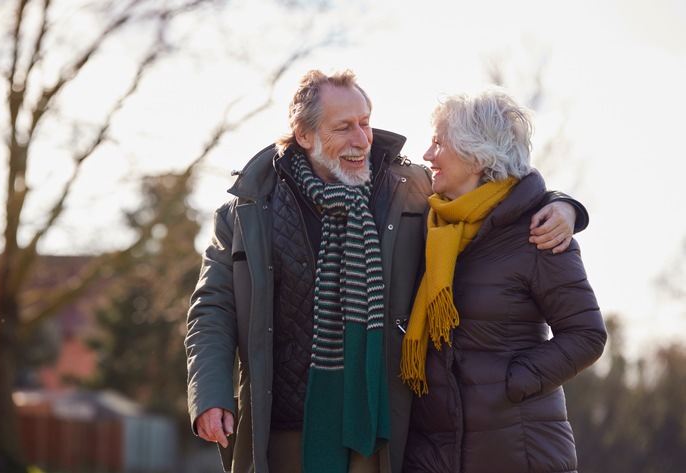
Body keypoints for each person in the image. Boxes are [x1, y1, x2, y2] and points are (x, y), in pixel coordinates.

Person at [184, 70, 587, 473]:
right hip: (281, 427)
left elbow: (492, 190)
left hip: (378, 430)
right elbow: (212, 309)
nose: (361, 140)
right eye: (344, 128)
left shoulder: (409, 189)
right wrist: (211, 393)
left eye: (365, 123)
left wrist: (563, 204)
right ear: (305, 135)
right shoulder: (247, 211)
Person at [400, 86, 607, 473]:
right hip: (435, 453)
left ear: (476, 156)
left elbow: (587, 335)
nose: (427, 155)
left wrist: (510, 383)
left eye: (438, 143)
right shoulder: (431, 224)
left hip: (517, 450)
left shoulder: (538, 231)